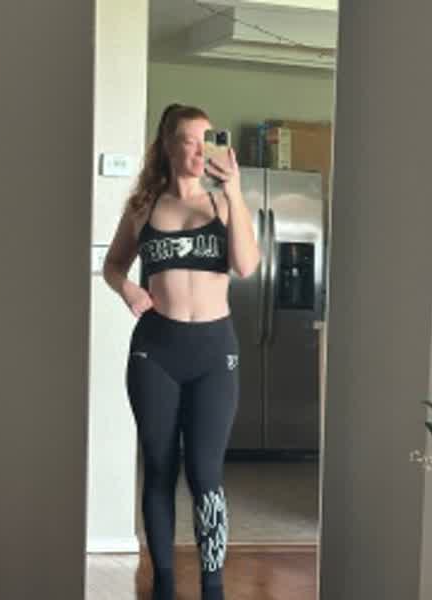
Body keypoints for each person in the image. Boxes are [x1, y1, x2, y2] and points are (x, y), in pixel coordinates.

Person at [102, 104, 260, 600]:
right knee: (159, 467)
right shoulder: (144, 206)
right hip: (156, 352)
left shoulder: (223, 204)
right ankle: (164, 584)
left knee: (206, 473)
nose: (198, 150)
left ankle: (213, 586)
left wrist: (234, 191)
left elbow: (246, 266)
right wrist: (128, 290)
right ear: (168, 146)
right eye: (188, 140)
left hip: (214, 353)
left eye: (205, 139)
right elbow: (113, 265)